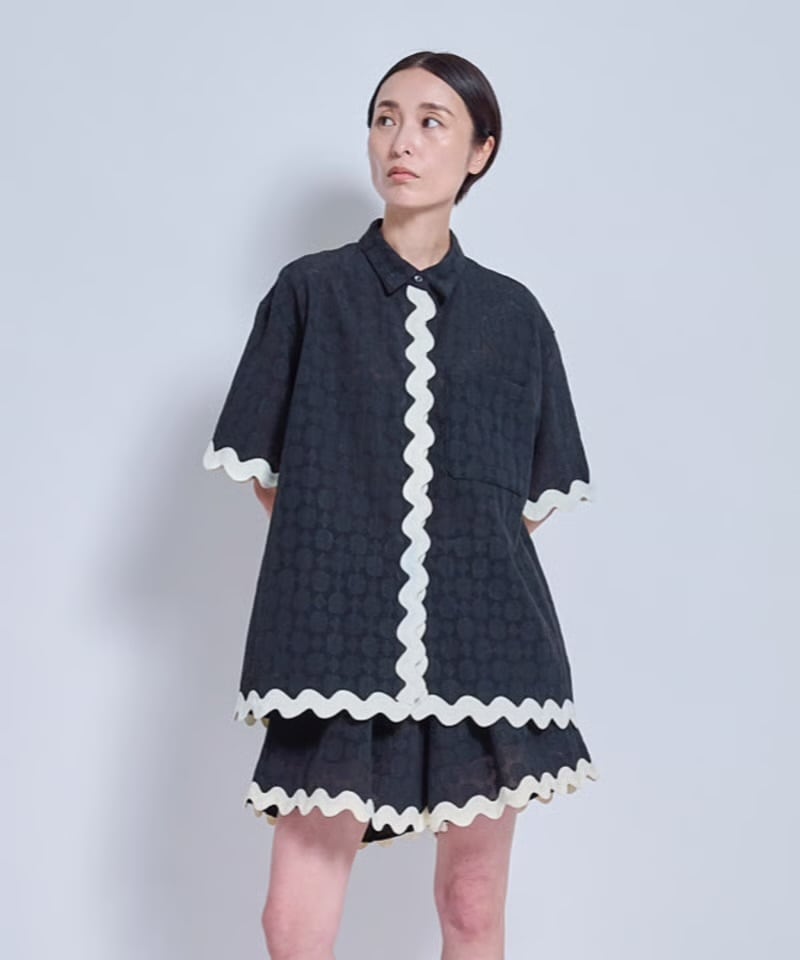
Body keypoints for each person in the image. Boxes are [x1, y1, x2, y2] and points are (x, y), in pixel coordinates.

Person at [203, 49, 598, 960]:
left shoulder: (515, 317)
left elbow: (530, 497)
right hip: (332, 639)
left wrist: (457, 560)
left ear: (480, 152)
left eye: (430, 121)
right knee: (293, 917)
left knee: (471, 903)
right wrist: (352, 548)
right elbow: (267, 473)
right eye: (385, 118)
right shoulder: (309, 293)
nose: (401, 141)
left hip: (488, 648)